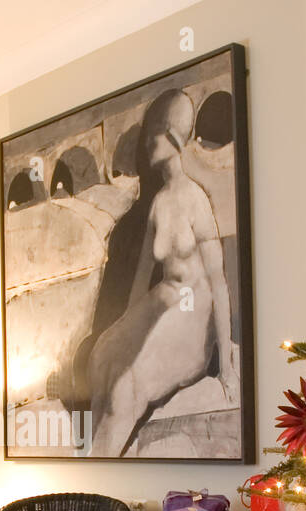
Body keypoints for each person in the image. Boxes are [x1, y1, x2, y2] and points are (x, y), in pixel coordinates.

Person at [85, 88, 238, 457]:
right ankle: (94, 460)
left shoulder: (196, 201)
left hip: (192, 320)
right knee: (104, 354)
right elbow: (141, 281)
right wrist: (124, 330)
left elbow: (218, 283)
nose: (145, 142)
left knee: (128, 379)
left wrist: (227, 366)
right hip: (162, 303)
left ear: (171, 137)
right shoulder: (158, 202)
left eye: (153, 132)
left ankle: (97, 470)